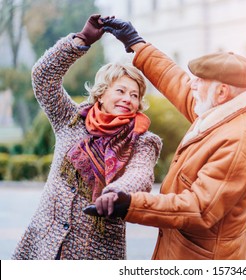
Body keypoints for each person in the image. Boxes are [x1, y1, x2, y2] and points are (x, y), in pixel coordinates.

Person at [84, 17, 246, 260]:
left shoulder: (239, 141)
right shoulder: (226, 109)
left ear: (222, 92)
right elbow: (179, 84)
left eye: (200, 80)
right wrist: (136, 43)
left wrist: (130, 204)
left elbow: (199, 209)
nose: (192, 83)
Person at [12, 15, 162, 260]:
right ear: (101, 94)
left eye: (134, 95)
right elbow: (43, 78)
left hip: (95, 253)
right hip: (43, 245)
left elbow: (140, 175)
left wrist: (115, 192)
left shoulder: (143, 141)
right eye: (121, 91)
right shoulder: (71, 119)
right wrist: (81, 40)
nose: (128, 99)